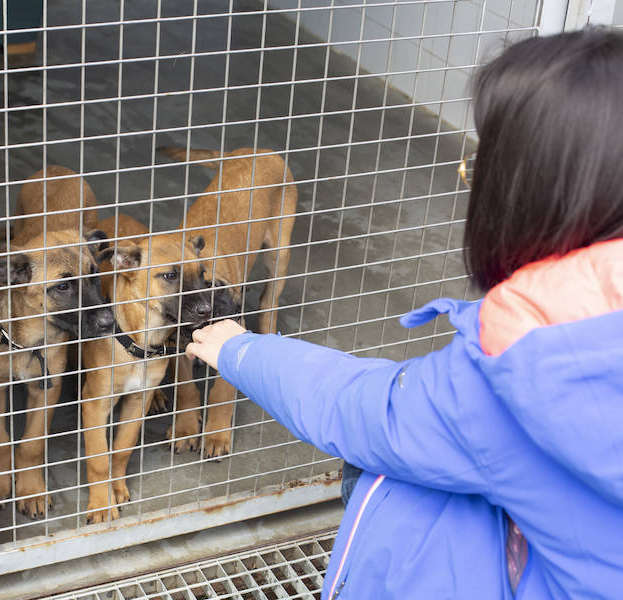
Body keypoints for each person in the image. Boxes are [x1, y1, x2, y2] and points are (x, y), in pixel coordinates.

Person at [186, 28, 623, 600]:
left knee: (385, 475)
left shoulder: (525, 367)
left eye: (479, 168)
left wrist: (237, 348)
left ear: (529, 195)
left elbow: (372, 414)